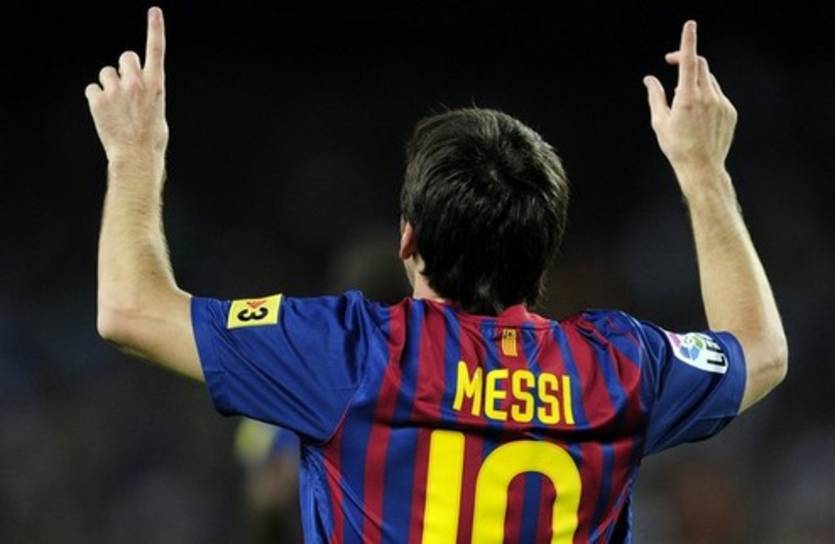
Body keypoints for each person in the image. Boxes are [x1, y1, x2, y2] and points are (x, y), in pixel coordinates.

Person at [86, 7, 787, 542]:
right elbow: (759, 350)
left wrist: (135, 151)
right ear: (543, 251)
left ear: (407, 241)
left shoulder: (348, 354)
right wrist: (703, 172)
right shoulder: (619, 369)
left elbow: (129, 310)